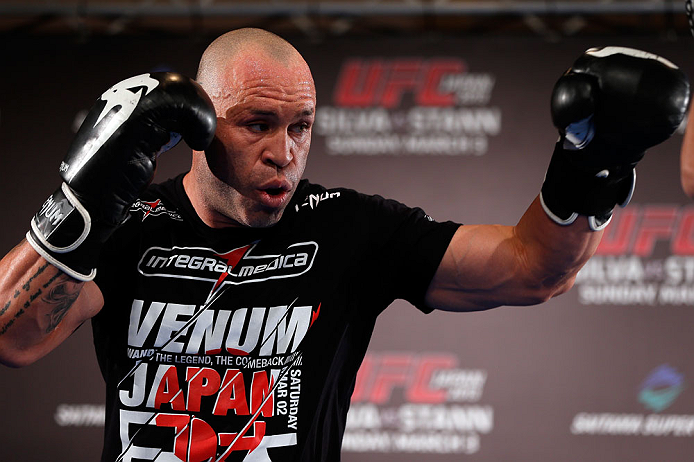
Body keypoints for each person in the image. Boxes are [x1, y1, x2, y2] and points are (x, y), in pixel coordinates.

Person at [0, 29, 688, 462]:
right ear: (201, 126)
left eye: (301, 126)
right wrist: (81, 206)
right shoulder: (131, 226)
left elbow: (530, 268)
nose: (284, 153)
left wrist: (591, 167)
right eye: (257, 125)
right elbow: (14, 337)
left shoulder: (348, 227)